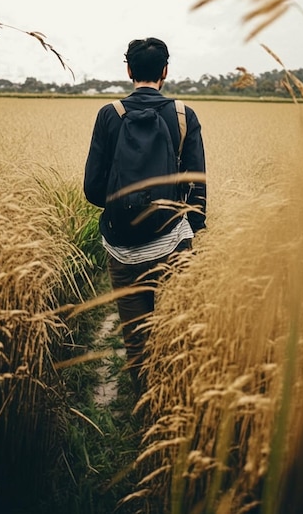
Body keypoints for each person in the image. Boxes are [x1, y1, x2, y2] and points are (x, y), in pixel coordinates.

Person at [84, 37, 206, 396]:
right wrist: (191, 230)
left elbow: (93, 189)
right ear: (165, 71)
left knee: (136, 338)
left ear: (129, 70)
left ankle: (144, 411)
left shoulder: (110, 114)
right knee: (175, 330)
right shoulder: (184, 115)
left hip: (122, 248)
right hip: (173, 244)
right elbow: (197, 186)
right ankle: (175, 407)